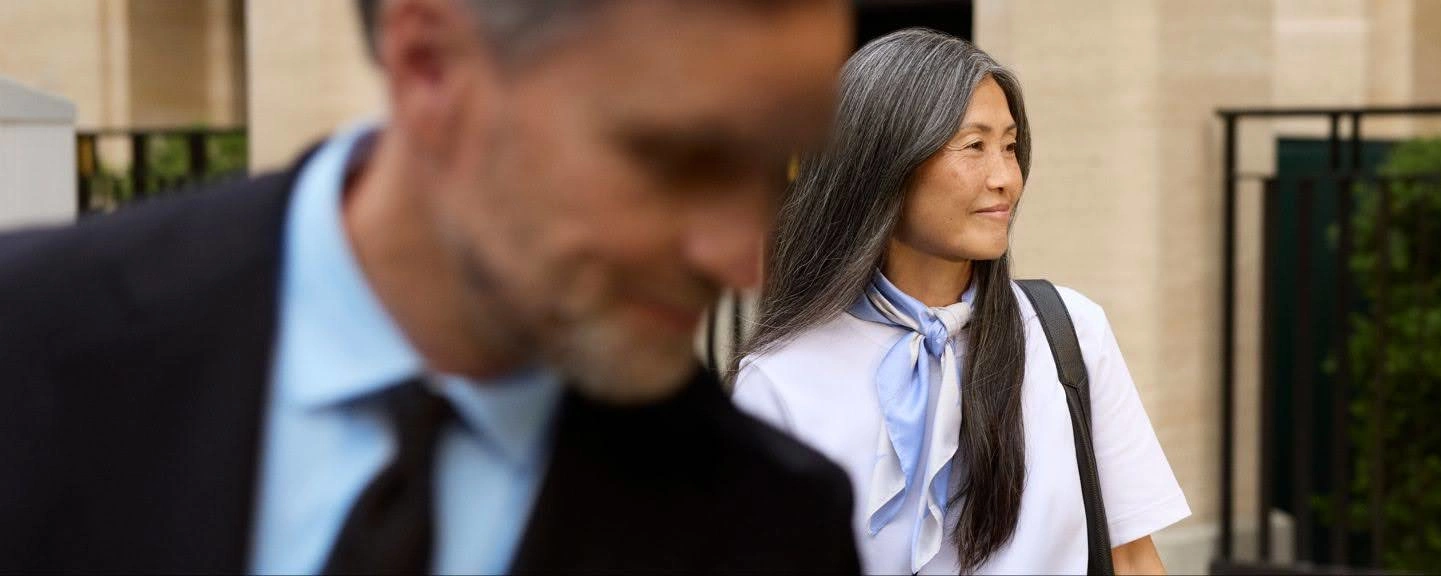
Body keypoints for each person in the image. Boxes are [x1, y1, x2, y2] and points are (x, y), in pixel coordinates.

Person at [0, 0, 859, 572]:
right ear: (429, 65)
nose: (741, 258)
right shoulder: (29, 347)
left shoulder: (773, 527)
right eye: (678, 160)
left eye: (776, 170)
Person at [731, 28, 1190, 575]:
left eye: (1011, 147)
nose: (1006, 179)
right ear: (884, 165)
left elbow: (1133, 558)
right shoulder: (783, 379)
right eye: (974, 147)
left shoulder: (1069, 334)